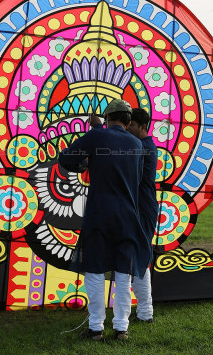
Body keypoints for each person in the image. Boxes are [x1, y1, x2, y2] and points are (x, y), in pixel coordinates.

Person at [59, 99, 152, 341]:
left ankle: (96, 328)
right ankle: (122, 329)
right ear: (129, 121)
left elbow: (66, 158)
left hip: (99, 214)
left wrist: (85, 162)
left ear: (108, 118)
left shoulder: (96, 137)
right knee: (123, 273)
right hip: (129, 217)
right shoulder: (137, 145)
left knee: (95, 271)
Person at [127, 108, 158, 323]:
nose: (128, 130)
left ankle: (146, 312)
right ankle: (143, 312)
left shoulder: (143, 148)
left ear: (143, 127)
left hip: (143, 208)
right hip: (139, 207)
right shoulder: (142, 146)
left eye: (132, 126)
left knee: (139, 258)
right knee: (134, 257)